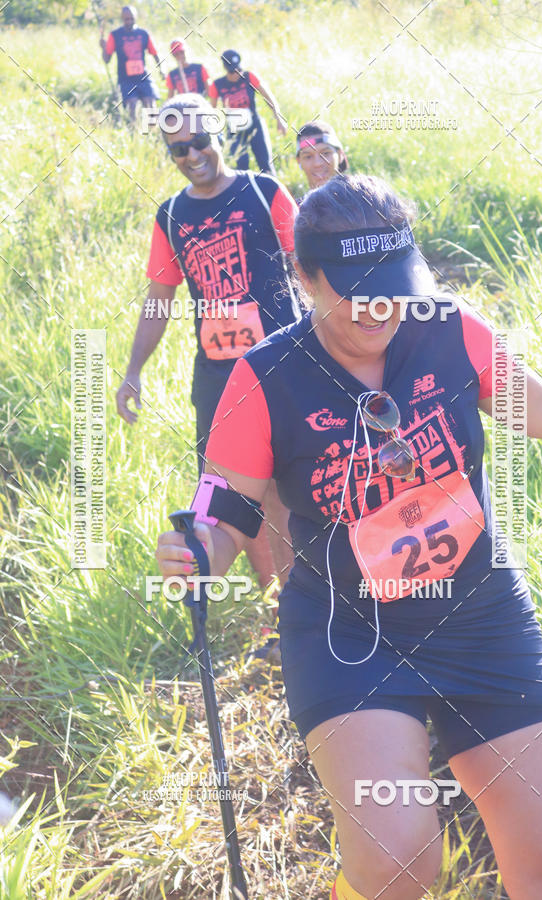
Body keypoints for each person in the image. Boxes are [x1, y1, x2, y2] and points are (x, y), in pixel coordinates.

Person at [156, 174, 542, 899]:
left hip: (481, 617)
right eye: (356, 291)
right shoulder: (264, 376)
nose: (380, 308)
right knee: (398, 860)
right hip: (349, 634)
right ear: (305, 277)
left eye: (393, 287)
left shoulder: (450, 329)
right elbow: (223, 505)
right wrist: (198, 549)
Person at [117, 94, 297, 612]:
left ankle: (310, 604)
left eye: (199, 141)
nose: (192, 155)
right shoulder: (171, 215)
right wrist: (133, 370)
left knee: (289, 490)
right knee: (236, 500)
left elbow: (311, 269)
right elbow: (159, 300)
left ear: (218, 133)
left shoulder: (264, 192)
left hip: (283, 366)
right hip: (219, 379)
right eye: (179, 149)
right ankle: (279, 610)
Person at [208, 49, 286, 175]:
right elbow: (212, 111)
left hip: (255, 125)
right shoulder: (217, 85)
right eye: (232, 71)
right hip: (235, 130)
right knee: (241, 168)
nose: (237, 74)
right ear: (226, 69)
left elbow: (268, 98)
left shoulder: (249, 77)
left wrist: (279, 119)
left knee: (265, 164)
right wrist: (214, 133)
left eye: (238, 69)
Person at [100, 5, 164, 122]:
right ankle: (133, 130)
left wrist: (161, 70)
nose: (129, 21)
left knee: (151, 104)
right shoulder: (115, 35)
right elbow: (106, 60)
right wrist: (104, 48)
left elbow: (155, 53)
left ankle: (152, 129)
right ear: (122, 18)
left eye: (131, 18)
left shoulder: (143, 34)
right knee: (132, 107)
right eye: (126, 19)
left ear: (136, 17)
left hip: (143, 77)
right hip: (125, 79)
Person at [296, 120, 348, 194]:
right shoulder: (292, 201)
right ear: (299, 161)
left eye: (325, 153)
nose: (318, 164)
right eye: (308, 157)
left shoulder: (360, 197)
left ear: (340, 155)